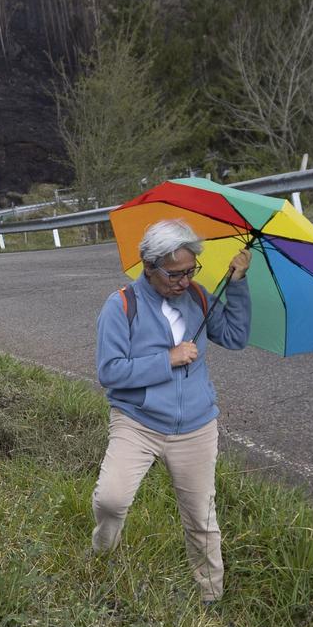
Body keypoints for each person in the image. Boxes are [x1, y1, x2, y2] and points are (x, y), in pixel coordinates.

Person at [92, 218, 252, 603]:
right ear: (149, 267)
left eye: (189, 271)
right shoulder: (122, 306)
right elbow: (109, 372)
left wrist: (238, 284)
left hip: (196, 426)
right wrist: (168, 359)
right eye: (174, 273)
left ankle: (210, 598)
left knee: (202, 520)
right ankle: (100, 558)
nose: (183, 281)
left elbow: (235, 337)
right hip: (138, 422)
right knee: (110, 500)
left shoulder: (198, 297)